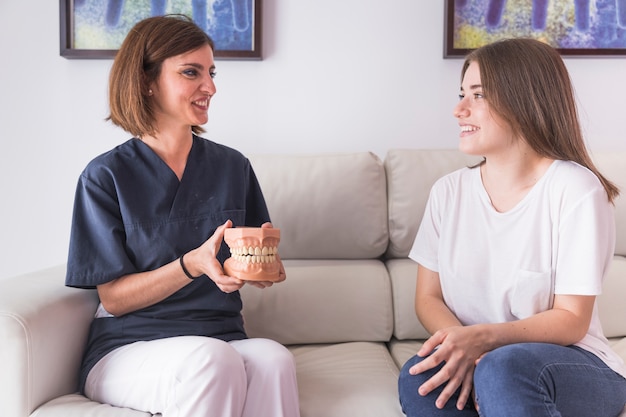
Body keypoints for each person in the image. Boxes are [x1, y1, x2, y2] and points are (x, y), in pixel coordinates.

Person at [65, 14, 300, 417]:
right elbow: (114, 299)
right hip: (129, 346)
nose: (209, 86)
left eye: (211, 72)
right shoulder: (105, 177)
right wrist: (190, 264)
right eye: (191, 72)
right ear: (146, 81)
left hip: (219, 335)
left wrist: (262, 268)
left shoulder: (233, 167)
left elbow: (249, 262)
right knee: (213, 360)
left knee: (274, 358)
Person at [398, 38, 626, 416]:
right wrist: (460, 346)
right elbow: (428, 298)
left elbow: (571, 320)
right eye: (461, 94)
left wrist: (484, 343)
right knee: (419, 380)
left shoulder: (576, 190)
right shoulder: (448, 192)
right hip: (484, 358)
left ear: (524, 100)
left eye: (478, 95)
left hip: (572, 365)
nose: (459, 110)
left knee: (501, 369)